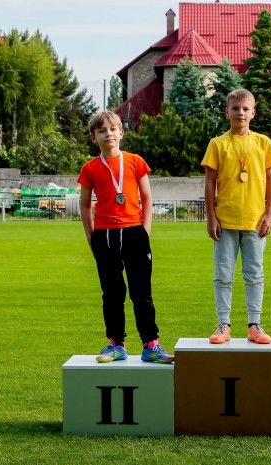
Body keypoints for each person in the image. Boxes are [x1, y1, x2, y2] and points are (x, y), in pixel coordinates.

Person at [78, 111, 173, 364]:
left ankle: (151, 345)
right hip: (105, 236)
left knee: (141, 292)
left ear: (121, 132)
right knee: (112, 293)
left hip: (134, 232)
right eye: (101, 131)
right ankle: (115, 345)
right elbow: (85, 205)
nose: (108, 134)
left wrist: (145, 230)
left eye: (112, 129)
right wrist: (92, 237)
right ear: (93, 137)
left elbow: (147, 197)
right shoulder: (90, 168)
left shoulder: (135, 162)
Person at [202, 89, 271, 345]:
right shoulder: (218, 144)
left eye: (246, 109)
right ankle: (223, 324)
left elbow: (270, 179)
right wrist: (211, 217)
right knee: (223, 274)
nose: (240, 113)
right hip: (225, 221)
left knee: (254, 274)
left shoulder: (263, 142)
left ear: (253, 113)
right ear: (227, 112)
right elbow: (209, 182)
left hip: (255, 222)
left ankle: (254, 325)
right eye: (235, 108)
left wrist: (270, 214)